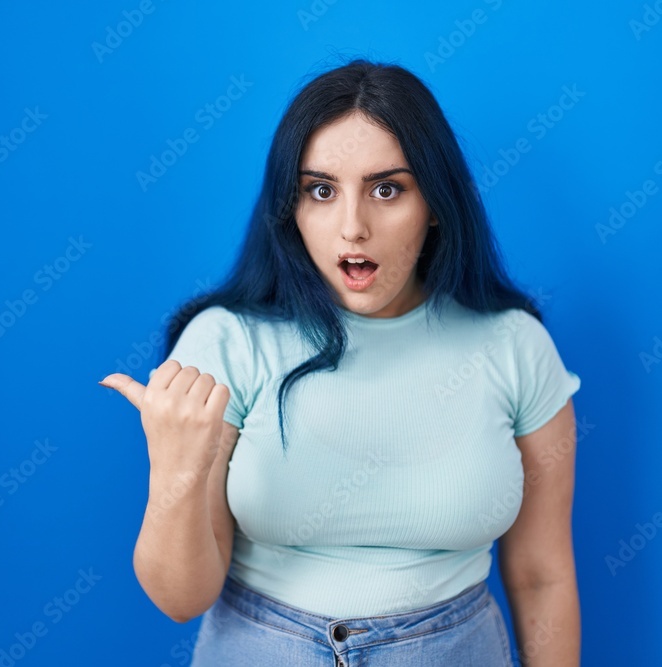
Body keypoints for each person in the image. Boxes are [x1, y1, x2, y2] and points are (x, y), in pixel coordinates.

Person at [100, 57, 582, 666]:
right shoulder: (226, 344)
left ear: (435, 202)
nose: (353, 226)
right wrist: (176, 468)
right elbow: (180, 599)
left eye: (387, 189)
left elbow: (543, 576)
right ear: (290, 207)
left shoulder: (515, 348)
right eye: (321, 190)